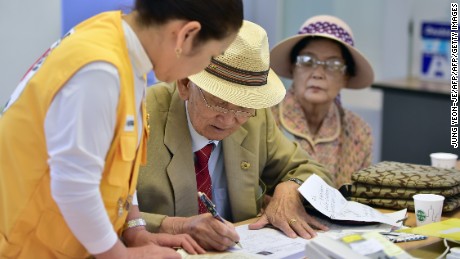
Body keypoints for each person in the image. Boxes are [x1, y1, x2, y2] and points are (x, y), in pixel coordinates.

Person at [0, 1, 243, 258]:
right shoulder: (100, 70)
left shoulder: (123, 46)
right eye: (212, 56)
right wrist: (121, 255)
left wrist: (135, 230)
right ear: (186, 35)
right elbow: (73, 185)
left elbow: (117, 166)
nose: (203, 67)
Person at [137, 20, 334, 252]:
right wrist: (175, 226)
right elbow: (95, 210)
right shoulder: (140, 116)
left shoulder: (256, 118)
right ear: (185, 84)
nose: (229, 119)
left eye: (243, 107)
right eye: (218, 102)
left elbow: (315, 171)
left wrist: (289, 190)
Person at [270, 15, 375, 188]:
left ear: (346, 77)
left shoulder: (359, 132)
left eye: (333, 64)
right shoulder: (265, 119)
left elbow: (359, 198)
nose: (318, 73)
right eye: (307, 61)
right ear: (292, 67)